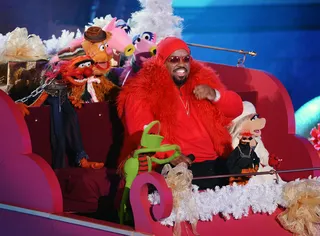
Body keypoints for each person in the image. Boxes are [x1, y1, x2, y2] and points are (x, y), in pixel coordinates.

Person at [117, 37, 243, 189]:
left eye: (186, 59)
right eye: (174, 59)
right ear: (162, 62)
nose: (181, 64)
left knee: (250, 175)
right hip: (177, 166)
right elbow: (141, 131)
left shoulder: (202, 80)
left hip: (216, 161)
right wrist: (169, 154)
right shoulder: (143, 89)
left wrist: (214, 95)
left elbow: (236, 108)